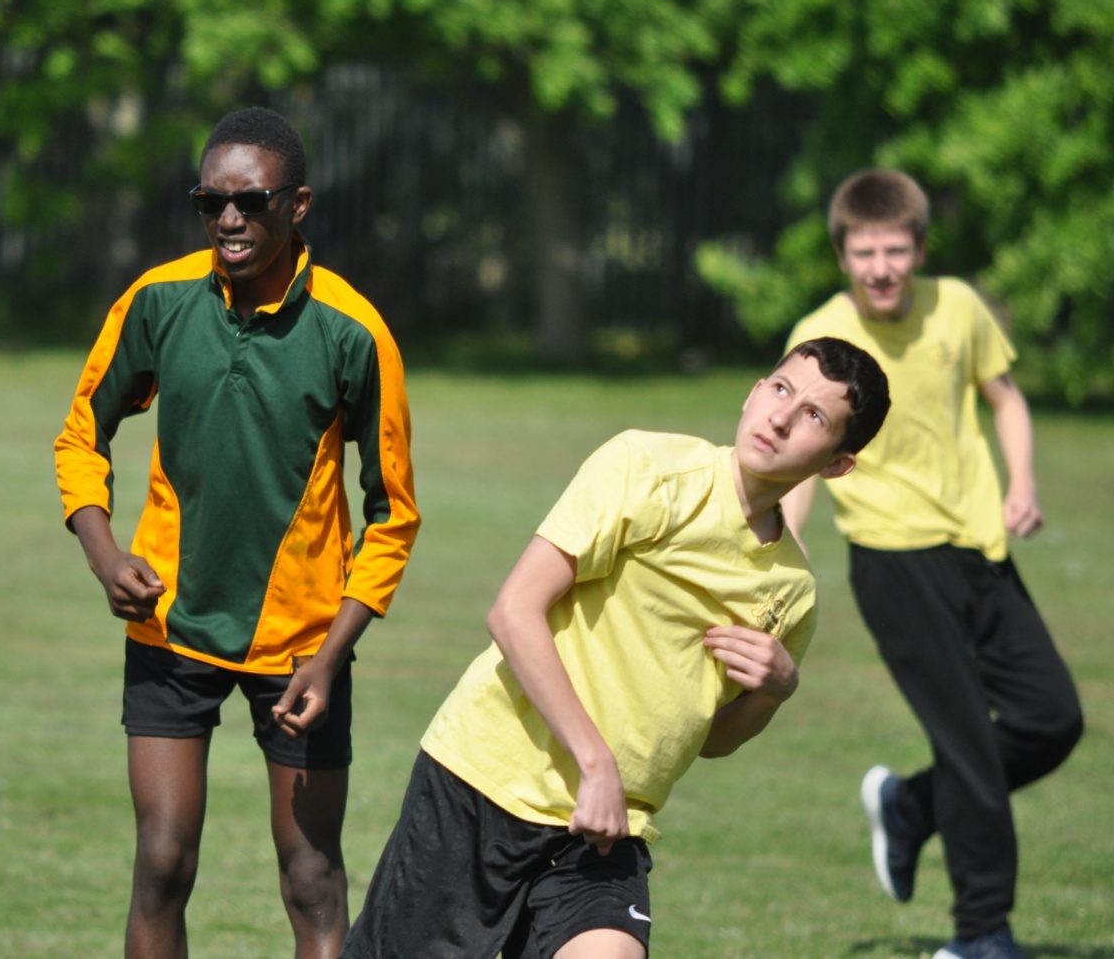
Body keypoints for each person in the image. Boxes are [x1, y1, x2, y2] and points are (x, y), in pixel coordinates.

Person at [343, 337, 890, 959]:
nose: (782, 418)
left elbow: (710, 738)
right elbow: (514, 612)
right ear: (753, 392)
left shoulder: (792, 591)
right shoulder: (648, 468)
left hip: (605, 829)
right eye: (781, 389)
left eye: (814, 415)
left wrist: (773, 693)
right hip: (486, 781)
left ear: (837, 465)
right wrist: (597, 765)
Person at [54, 106, 420, 959]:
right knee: (161, 865)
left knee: (312, 878)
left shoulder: (355, 333)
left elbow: (392, 514)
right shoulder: (158, 300)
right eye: (209, 201)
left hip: (301, 648)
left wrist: (331, 656)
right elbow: (81, 434)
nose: (228, 219)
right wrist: (104, 555)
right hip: (170, 626)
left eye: (250, 202)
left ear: (298, 205)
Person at [783, 169, 1083, 959]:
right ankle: (980, 935)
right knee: (970, 747)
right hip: (892, 561)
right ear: (842, 255)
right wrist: (787, 541)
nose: (880, 267)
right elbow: (799, 452)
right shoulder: (820, 338)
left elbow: (1006, 399)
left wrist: (1022, 483)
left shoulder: (958, 307)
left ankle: (911, 806)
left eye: (894, 250)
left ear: (918, 249)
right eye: (864, 252)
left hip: (980, 548)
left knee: (1054, 718)